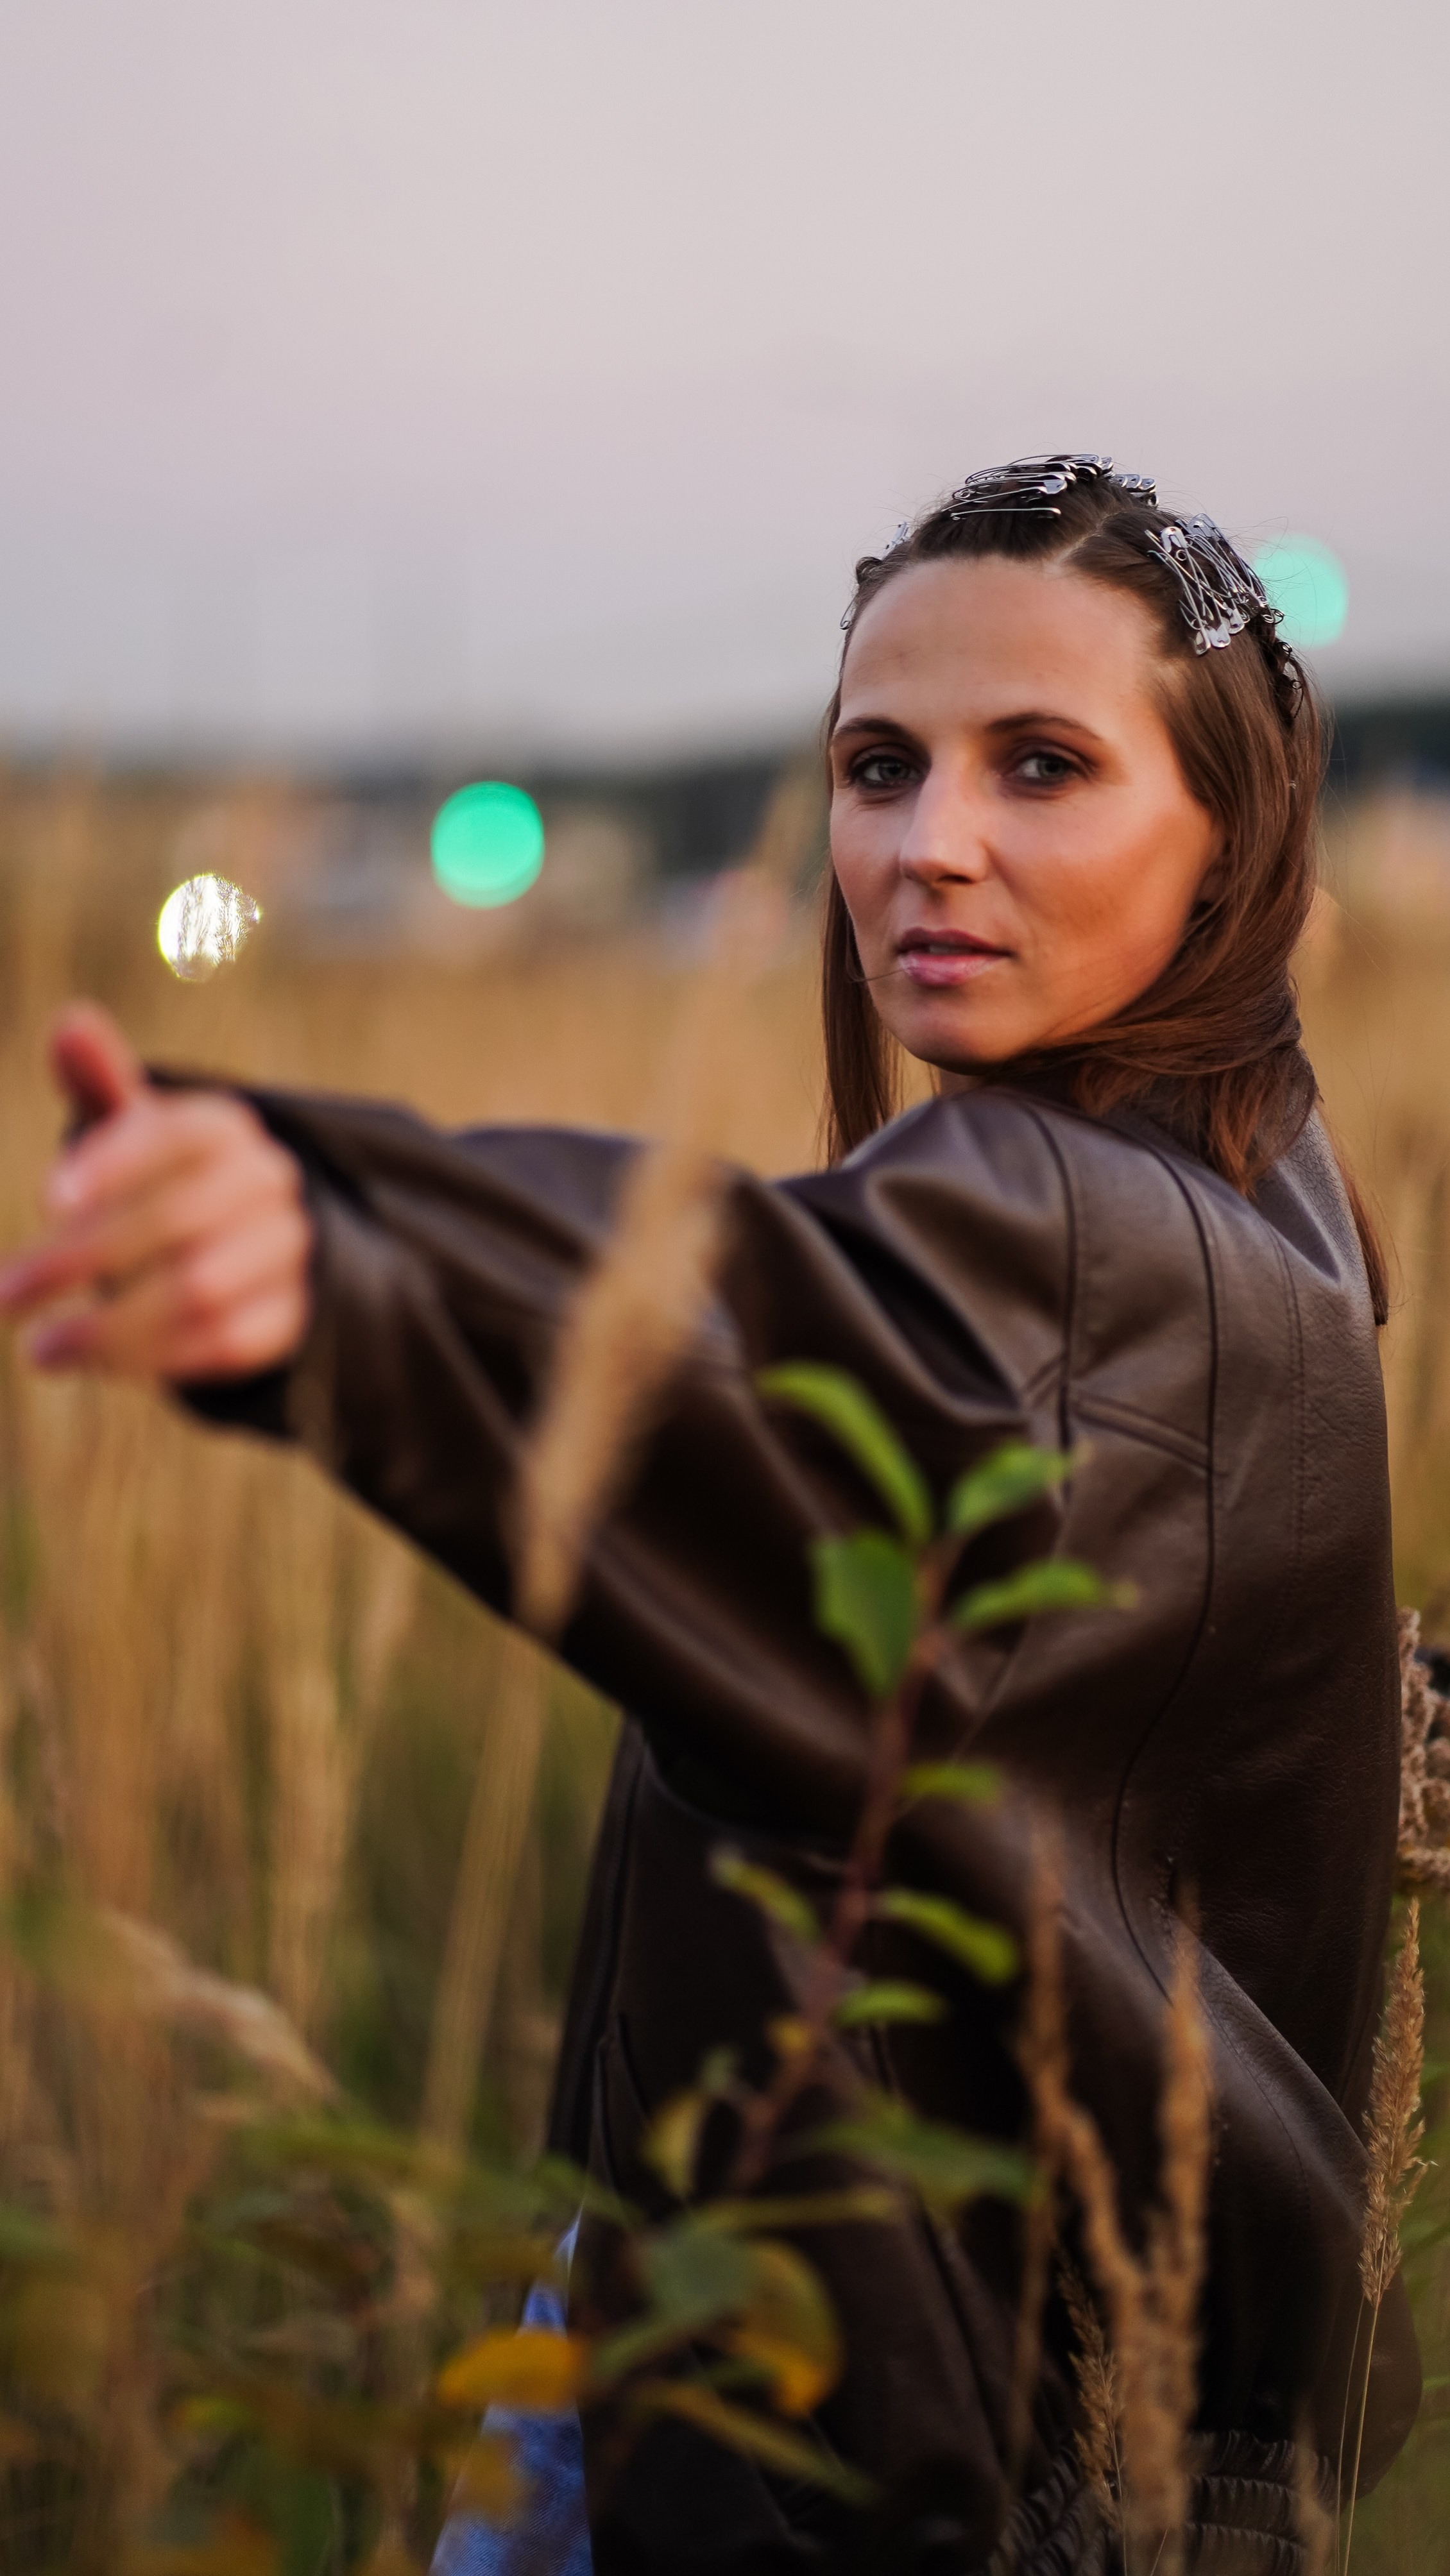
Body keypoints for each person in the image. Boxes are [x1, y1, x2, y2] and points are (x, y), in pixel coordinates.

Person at [0, 455, 1420, 2573]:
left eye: (1041, 765)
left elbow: (750, 1318)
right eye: (876, 766)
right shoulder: (1262, 1184)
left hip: (863, 2457)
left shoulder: (1059, 1226)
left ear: (1229, 839)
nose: (926, 846)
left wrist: (356, 1257)